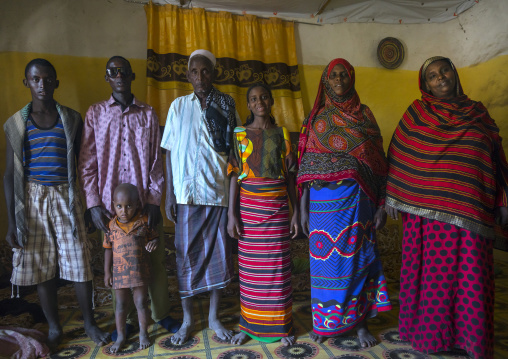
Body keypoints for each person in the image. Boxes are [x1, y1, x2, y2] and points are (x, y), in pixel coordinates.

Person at [385, 56, 508, 359]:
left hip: (473, 210)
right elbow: (399, 155)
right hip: (426, 218)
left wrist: (504, 199)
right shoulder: (417, 114)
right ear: (424, 84)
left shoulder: (478, 113)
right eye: (432, 76)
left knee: (472, 276)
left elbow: (498, 160)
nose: (440, 78)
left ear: (454, 73)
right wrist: (392, 195)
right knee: (433, 277)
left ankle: (471, 340)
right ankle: (432, 338)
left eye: (444, 71)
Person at [3, 58, 109, 351]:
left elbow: (83, 165)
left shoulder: (72, 119)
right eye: (36, 79)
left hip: (66, 196)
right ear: (26, 83)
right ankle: (53, 326)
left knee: (79, 263)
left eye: (48, 79)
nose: (42, 85)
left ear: (56, 83)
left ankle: (89, 322)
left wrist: (87, 206)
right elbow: (10, 175)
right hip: (33, 200)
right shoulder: (15, 124)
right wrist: (13, 222)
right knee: (42, 267)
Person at [78, 56, 179, 339]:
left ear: (132, 76)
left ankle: (162, 314)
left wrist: (154, 200)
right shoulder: (95, 114)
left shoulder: (147, 114)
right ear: (107, 77)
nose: (119, 75)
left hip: (144, 206)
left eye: (124, 71)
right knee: (120, 266)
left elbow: (156, 162)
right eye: (113, 71)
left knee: (153, 260)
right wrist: (94, 204)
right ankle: (128, 321)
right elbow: (87, 163)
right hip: (114, 211)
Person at [297, 58, 392, 347]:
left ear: (352, 78)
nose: (339, 79)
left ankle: (360, 324)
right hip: (321, 204)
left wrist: (381, 205)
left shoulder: (364, 116)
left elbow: (378, 162)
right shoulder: (316, 119)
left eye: (344, 74)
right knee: (325, 267)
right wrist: (301, 209)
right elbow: (303, 168)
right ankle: (325, 322)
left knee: (358, 262)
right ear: (326, 80)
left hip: (357, 201)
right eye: (333, 75)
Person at [161, 49, 239, 344]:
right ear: (188, 75)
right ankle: (188, 320)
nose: (200, 77)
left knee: (219, 258)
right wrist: (169, 193)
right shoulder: (178, 106)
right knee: (185, 259)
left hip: (217, 193)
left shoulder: (227, 104)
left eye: (205, 71)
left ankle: (213, 317)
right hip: (186, 195)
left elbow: (234, 152)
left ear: (213, 73)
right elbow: (168, 152)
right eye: (195, 72)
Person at [227, 83, 299, 346]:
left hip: (278, 209)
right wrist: (231, 215)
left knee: (278, 270)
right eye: (254, 99)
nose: (260, 102)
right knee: (250, 273)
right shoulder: (238, 134)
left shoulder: (283, 134)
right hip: (249, 211)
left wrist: (295, 211)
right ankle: (248, 325)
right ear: (248, 105)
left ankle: (282, 326)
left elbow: (291, 177)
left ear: (271, 101)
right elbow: (234, 176)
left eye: (264, 97)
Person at [104, 183, 159, 353]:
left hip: (139, 272)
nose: (124, 211)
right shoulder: (111, 227)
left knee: (141, 302)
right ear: (113, 204)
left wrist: (153, 243)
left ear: (137, 204)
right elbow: (107, 249)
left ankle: (143, 333)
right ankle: (121, 336)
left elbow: (154, 238)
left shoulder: (144, 223)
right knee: (120, 304)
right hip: (119, 273)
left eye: (129, 206)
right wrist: (107, 272)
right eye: (119, 206)